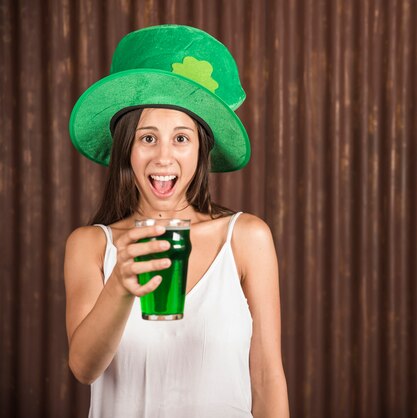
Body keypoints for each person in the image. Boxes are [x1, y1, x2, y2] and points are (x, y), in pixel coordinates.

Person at [64, 24, 289, 418]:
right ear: (126, 149)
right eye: (147, 138)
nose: (164, 158)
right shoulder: (91, 245)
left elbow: (267, 376)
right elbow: (84, 368)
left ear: (201, 150)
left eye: (181, 138)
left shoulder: (246, 238)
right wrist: (121, 284)